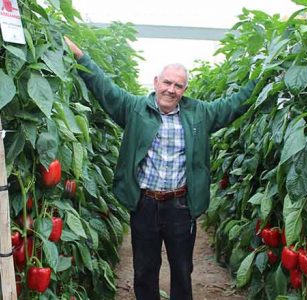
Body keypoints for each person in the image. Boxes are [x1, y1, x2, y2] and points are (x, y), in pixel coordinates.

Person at [64, 36, 258, 300]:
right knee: (144, 269)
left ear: (184, 90)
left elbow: (235, 104)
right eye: (167, 82)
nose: (171, 89)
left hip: (180, 205)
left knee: (182, 269)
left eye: (178, 86)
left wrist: (265, 74)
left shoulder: (199, 113)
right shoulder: (134, 108)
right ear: (156, 82)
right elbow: (103, 86)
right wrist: (79, 55)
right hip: (145, 204)